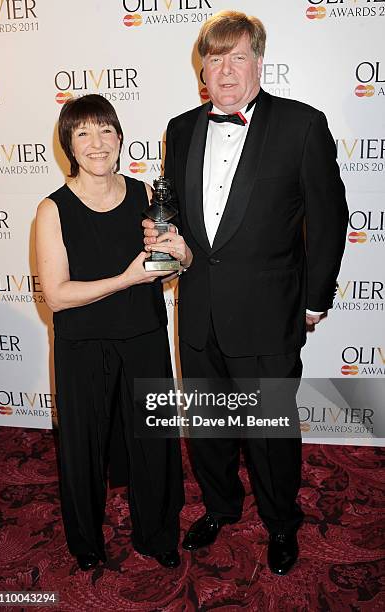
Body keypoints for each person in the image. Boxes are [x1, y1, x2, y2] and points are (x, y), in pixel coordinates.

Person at [143, 10, 348, 575]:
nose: (225, 70)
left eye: (237, 57)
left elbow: (328, 220)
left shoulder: (302, 125)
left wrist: (314, 300)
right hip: (200, 310)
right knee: (209, 426)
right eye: (214, 58)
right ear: (201, 68)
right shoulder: (181, 128)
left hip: (268, 312)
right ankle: (220, 507)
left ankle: (282, 523)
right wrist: (165, 239)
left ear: (260, 60)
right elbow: (180, 215)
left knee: (269, 433)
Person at [35, 94, 186, 571]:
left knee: (154, 442)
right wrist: (125, 278)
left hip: (143, 335)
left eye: (106, 131)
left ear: (120, 138)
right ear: (69, 146)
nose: (97, 143)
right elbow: (57, 296)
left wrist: (179, 255)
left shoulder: (148, 195)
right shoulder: (52, 210)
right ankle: (86, 543)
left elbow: (166, 267)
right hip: (82, 345)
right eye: (83, 133)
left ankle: (158, 533)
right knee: (82, 447)